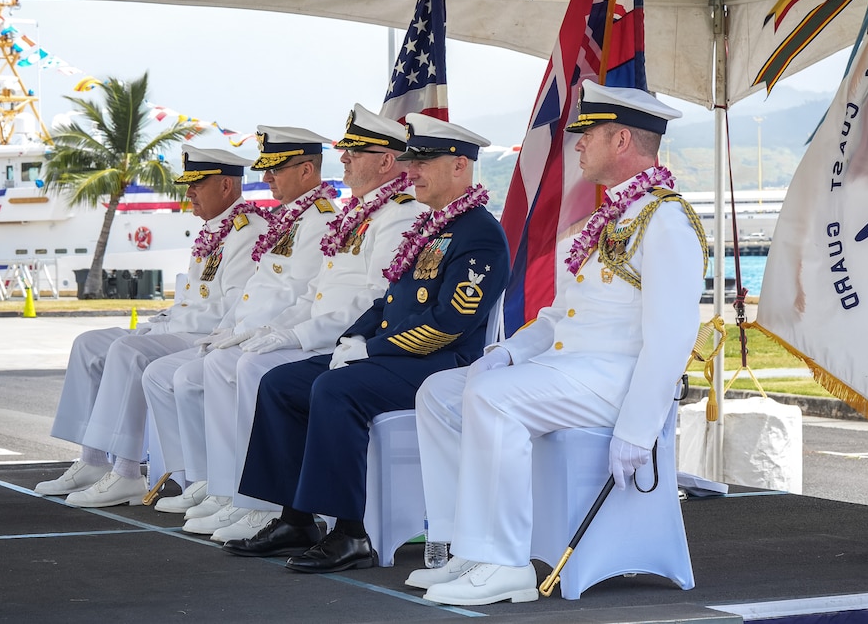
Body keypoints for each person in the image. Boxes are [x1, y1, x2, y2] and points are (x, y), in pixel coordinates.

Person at [407, 83, 708, 606]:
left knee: (493, 397)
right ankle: (467, 545)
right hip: (568, 369)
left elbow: (672, 335)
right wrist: (507, 353)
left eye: (586, 134)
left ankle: (505, 563)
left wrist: (638, 428)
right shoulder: (608, 219)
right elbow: (557, 316)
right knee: (441, 391)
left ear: (620, 140)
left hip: (616, 378)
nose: (577, 145)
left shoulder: (666, 220)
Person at [223, 114, 511, 575]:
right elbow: (387, 298)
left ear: (459, 166)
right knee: (283, 383)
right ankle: (296, 519)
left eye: (422, 161)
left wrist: (372, 351)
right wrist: (354, 335)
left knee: (335, 391)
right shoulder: (432, 226)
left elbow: (450, 324)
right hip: (393, 355)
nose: (410, 169)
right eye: (409, 160)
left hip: (440, 365)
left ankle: (350, 533)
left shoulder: (479, 233)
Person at [150, 105, 427, 540]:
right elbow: (312, 291)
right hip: (323, 333)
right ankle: (240, 494)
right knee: (230, 363)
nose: (345, 159)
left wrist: (297, 334)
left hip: (349, 343)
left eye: (355, 151)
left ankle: (264, 503)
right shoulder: (357, 215)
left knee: (246, 368)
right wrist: (270, 329)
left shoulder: (400, 214)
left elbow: (374, 298)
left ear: (387, 161)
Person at [34, 146, 269, 506]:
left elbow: (230, 310)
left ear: (225, 186)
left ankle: (127, 472)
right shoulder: (214, 229)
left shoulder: (247, 231)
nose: (188, 192)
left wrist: (161, 330)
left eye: (196, 184)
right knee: (89, 343)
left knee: (129, 351)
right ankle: (93, 461)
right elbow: (193, 298)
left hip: (202, 336)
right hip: (177, 327)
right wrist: (159, 323)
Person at [140, 124, 340, 522]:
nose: (265, 179)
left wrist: (262, 334)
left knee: (214, 370)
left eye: (275, 169)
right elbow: (255, 290)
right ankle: (212, 482)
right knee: (175, 374)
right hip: (257, 333)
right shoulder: (290, 219)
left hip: (291, 339)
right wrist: (228, 330)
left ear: (305, 171)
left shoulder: (319, 220)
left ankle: (247, 496)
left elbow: (299, 295)